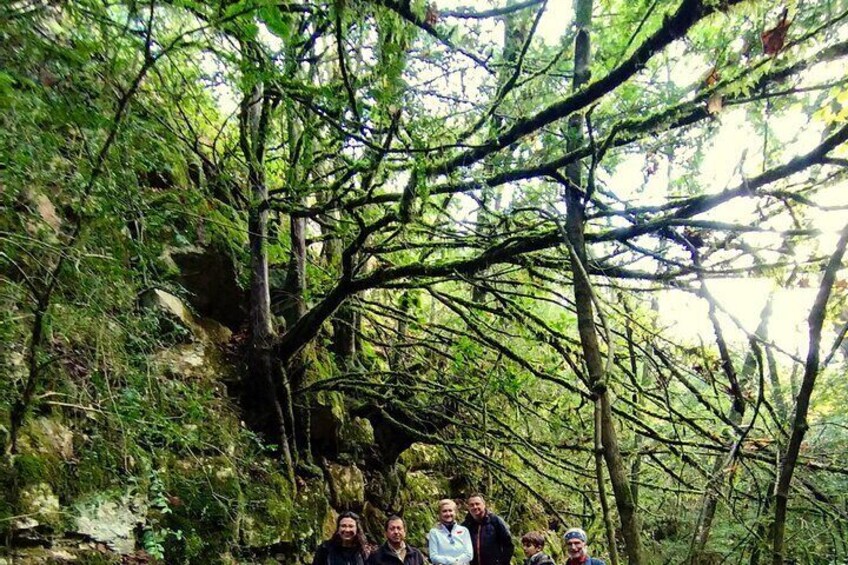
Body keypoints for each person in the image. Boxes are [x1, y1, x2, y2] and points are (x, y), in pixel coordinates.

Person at [461, 494, 514, 565]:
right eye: (472, 505)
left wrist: (503, 562)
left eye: (477, 504)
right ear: (468, 507)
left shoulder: (495, 521)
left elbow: (508, 544)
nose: (475, 507)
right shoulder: (465, 526)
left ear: (484, 505)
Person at [428, 499, 473, 565]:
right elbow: (433, 557)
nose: (448, 514)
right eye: (444, 511)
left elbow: (469, 554)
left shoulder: (464, 530)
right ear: (439, 514)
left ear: (455, 512)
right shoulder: (434, 532)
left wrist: (456, 561)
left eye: (450, 510)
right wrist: (452, 561)